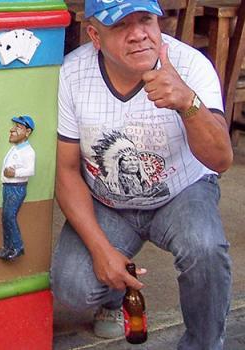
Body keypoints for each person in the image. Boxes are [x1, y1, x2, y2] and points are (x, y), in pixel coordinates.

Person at [51, 0, 233, 348]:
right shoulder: (72, 74)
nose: (138, 35)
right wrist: (101, 249)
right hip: (107, 200)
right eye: (121, 26)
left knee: (205, 249)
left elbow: (221, 160)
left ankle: (204, 343)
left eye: (146, 20)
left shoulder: (190, 65)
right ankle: (113, 297)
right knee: (71, 286)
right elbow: (67, 170)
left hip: (182, 191)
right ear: (95, 36)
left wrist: (187, 103)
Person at [0, 115, 36, 261]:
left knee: (9, 217)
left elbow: (30, 170)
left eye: (18, 127)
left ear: (27, 132)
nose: (12, 130)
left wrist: (15, 173)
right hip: (8, 187)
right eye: (14, 126)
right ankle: (8, 246)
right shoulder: (16, 148)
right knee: (5, 217)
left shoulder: (28, 152)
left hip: (16, 188)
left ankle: (17, 247)